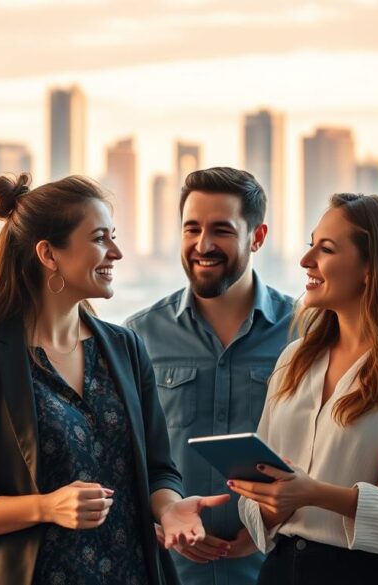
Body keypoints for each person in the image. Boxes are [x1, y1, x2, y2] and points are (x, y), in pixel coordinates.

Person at [0, 173, 228, 584]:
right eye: (100, 238)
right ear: (49, 255)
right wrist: (45, 506)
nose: (117, 252)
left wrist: (169, 507)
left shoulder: (126, 348)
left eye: (113, 236)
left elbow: (159, 469)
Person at [229, 193, 378, 585]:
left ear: (372, 267)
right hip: (279, 572)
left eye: (327, 249)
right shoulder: (294, 358)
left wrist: (317, 494)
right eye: (311, 245)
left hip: (366, 574)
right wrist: (274, 504)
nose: (306, 261)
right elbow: (255, 507)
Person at [124, 167, 295, 584]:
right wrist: (163, 521)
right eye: (191, 229)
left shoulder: (305, 332)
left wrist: (263, 529)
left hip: (274, 569)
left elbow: (323, 450)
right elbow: (123, 455)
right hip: (171, 572)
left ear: (257, 236)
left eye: (221, 230)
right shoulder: (138, 334)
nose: (203, 245)